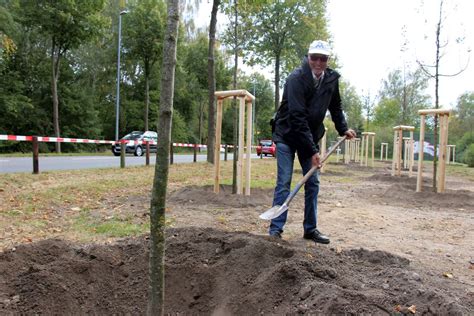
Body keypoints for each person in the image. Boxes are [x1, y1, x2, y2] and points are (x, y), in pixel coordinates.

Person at [269, 39, 356, 244]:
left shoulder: (331, 80)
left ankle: (310, 229)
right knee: (284, 182)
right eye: (314, 57)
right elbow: (297, 117)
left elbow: (336, 106)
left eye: (322, 58)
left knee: (313, 183)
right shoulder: (296, 79)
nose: (318, 62)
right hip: (287, 135)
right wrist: (313, 150)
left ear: (327, 60)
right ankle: (275, 230)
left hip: (309, 136)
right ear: (308, 58)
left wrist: (343, 128)